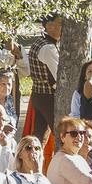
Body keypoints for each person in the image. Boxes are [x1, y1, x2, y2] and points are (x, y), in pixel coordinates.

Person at [26, 15, 61, 146]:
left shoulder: (39, 42)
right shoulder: (48, 48)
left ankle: (32, 162)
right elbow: (58, 76)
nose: (63, 27)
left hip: (38, 95)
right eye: (60, 23)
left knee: (39, 135)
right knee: (60, 133)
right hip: (47, 97)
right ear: (49, 26)